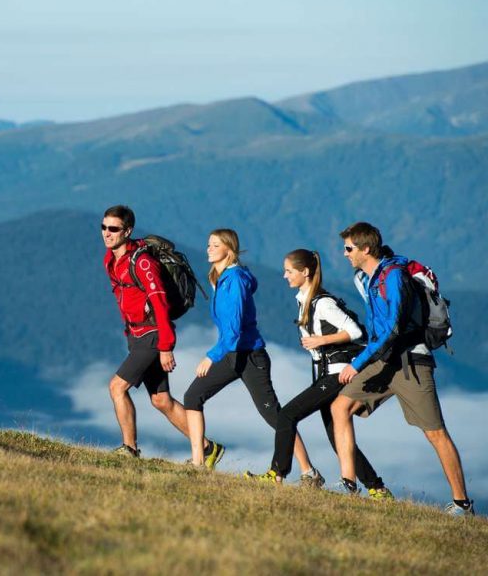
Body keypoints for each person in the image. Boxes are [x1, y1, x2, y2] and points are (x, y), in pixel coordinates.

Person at [331, 222, 474, 515]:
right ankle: (348, 485)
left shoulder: (393, 277)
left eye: (348, 248)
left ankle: (462, 504)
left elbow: (392, 329)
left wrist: (357, 363)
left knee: (435, 433)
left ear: (365, 249)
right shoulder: (370, 278)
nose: (344, 254)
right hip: (385, 361)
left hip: (412, 364)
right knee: (340, 407)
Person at [251, 249, 392, 497]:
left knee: (287, 415)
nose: (284, 276)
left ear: (305, 272)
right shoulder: (304, 299)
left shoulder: (323, 303)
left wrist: (320, 341)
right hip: (326, 373)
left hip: (337, 374)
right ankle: (377, 488)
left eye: (289, 271)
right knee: (336, 437)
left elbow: (356, 331)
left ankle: (276, 474)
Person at [183, 229, 320, 483]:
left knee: (276, 416)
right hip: (232, 354)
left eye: (215, 245)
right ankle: (198, 463)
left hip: (250, 357)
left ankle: (308, 472)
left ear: (229, 249)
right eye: (208, 244)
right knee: (193, 396)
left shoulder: (234, 280)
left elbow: (233, 329)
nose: (208, 249)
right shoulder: (221, 277)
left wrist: (210, 356)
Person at [102, 205, 224, 467]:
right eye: (104, 227)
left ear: (128, 231)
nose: (107, 233)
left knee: (116, 387)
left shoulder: (143, 263)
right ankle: (208, 448)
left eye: (113, 229)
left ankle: (129, 449)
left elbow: (159, 304)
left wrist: (166, 346)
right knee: (161, 400)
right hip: (137, 335)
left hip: (153, 337)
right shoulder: (110, 260)